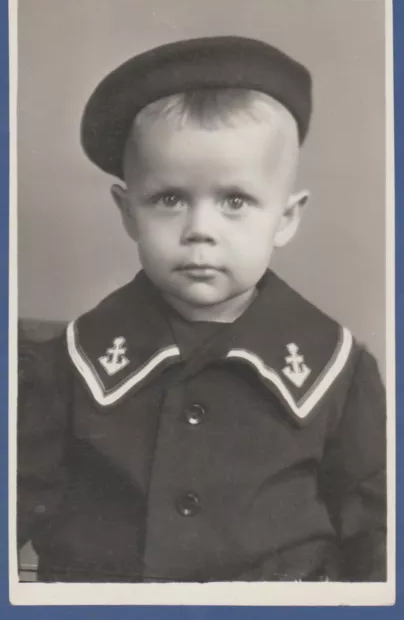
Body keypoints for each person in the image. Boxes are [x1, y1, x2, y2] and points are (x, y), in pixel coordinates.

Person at [17, 36, 386, 583]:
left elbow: (377, 543)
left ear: (286, 218)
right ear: (127, 211)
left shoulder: (340, 372)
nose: (200, 231)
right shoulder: (65, 365)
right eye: (170, 199)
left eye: (235, 201)